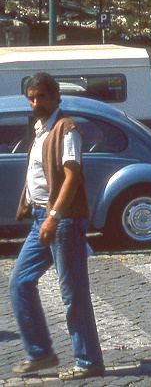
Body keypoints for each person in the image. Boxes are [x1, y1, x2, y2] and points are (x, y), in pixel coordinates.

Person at [9, 72, 104, 380]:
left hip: (62, 222)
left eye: (41, 96)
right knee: (20, 283)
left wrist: (54, 216)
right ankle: (40, 353)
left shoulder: (66, 129)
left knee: (73, 293)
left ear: (54, 97)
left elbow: (72, 176)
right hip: (42, 219)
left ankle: (89, 361)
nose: (35, 102)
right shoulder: (41, 129)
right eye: (31, 97)